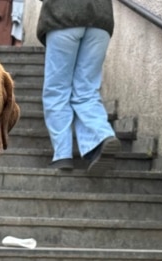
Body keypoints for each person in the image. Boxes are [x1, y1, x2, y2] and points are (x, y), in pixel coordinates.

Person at [37, 0, 120, 173]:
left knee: (57, 90)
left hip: (63, 14)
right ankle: (102, 137)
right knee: (87, 90)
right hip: (100, 18)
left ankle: (62, 155)